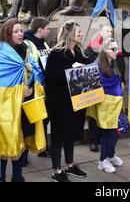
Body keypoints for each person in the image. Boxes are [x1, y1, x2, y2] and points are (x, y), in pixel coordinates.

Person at [0, 18, 46, 182]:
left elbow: (34, 73)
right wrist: (20, 91)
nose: (20, 34)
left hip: (22, 107)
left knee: (21, 141)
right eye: (16, 31)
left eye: (21, 30)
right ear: (7, 33)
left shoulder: (25, 50)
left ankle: (17, 177)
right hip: (2, 111)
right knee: (0, 146)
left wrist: (30, 84)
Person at [44, 21, 97, 182]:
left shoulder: (79, 52)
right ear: (70, 34)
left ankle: (69, 164)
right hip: (60, 103)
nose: (81, 34)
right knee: (58, 136)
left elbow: (88, 69)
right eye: (78, 32)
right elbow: (50, 77)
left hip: (77, 101)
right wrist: (71, 70)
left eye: (81, 32)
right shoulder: (56, 53)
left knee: (71, 134)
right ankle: (56, 171)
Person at [87, 39, 124, 174]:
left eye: (116, 48)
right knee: (109, 133)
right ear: (105, 51)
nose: (116, 51)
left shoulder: (113, 64)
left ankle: (110, 155)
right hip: (105, 105)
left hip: (115, 104)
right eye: (113, 49)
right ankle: (103, 160)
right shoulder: (98, 66)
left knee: (114, 133)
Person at [23, 17, 51, 159]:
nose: (49, 30)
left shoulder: (44, 43)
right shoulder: (27, 44)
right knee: (29, 121)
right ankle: (24, 153)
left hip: (42, 88)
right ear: (39, 30)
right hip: (31, 89)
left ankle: (42, 147)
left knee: (42, 119)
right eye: (47, 28)